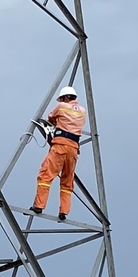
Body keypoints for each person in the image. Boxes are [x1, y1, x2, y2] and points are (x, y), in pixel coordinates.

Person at [30, 87, 86, 220]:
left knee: (45, 176)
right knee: (67, 182)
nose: (60, 101)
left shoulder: (61, 107)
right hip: (73, 149)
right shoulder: (83, 111)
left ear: (66, 97)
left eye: (61, 99)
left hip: (60, 146)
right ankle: (64, 211)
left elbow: (51, 117)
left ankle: (39, 206)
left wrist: (56, 123)